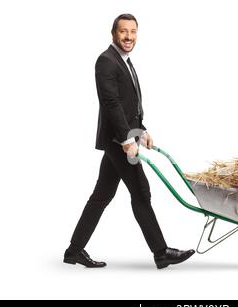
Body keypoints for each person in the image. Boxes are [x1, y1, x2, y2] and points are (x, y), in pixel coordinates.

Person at [63, 14, 195, 269]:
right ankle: (161, 252)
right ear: (113, 33)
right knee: (141, 192)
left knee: (102, 195)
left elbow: (127, 104)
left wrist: (141, 131)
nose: (128, 36)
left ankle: (73, 251)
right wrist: (126, 139)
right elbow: (111, 104)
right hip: (118, 141)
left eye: (133, 31)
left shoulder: (123, 60)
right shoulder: (106, 61)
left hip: (125, 137)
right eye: (123, 31)